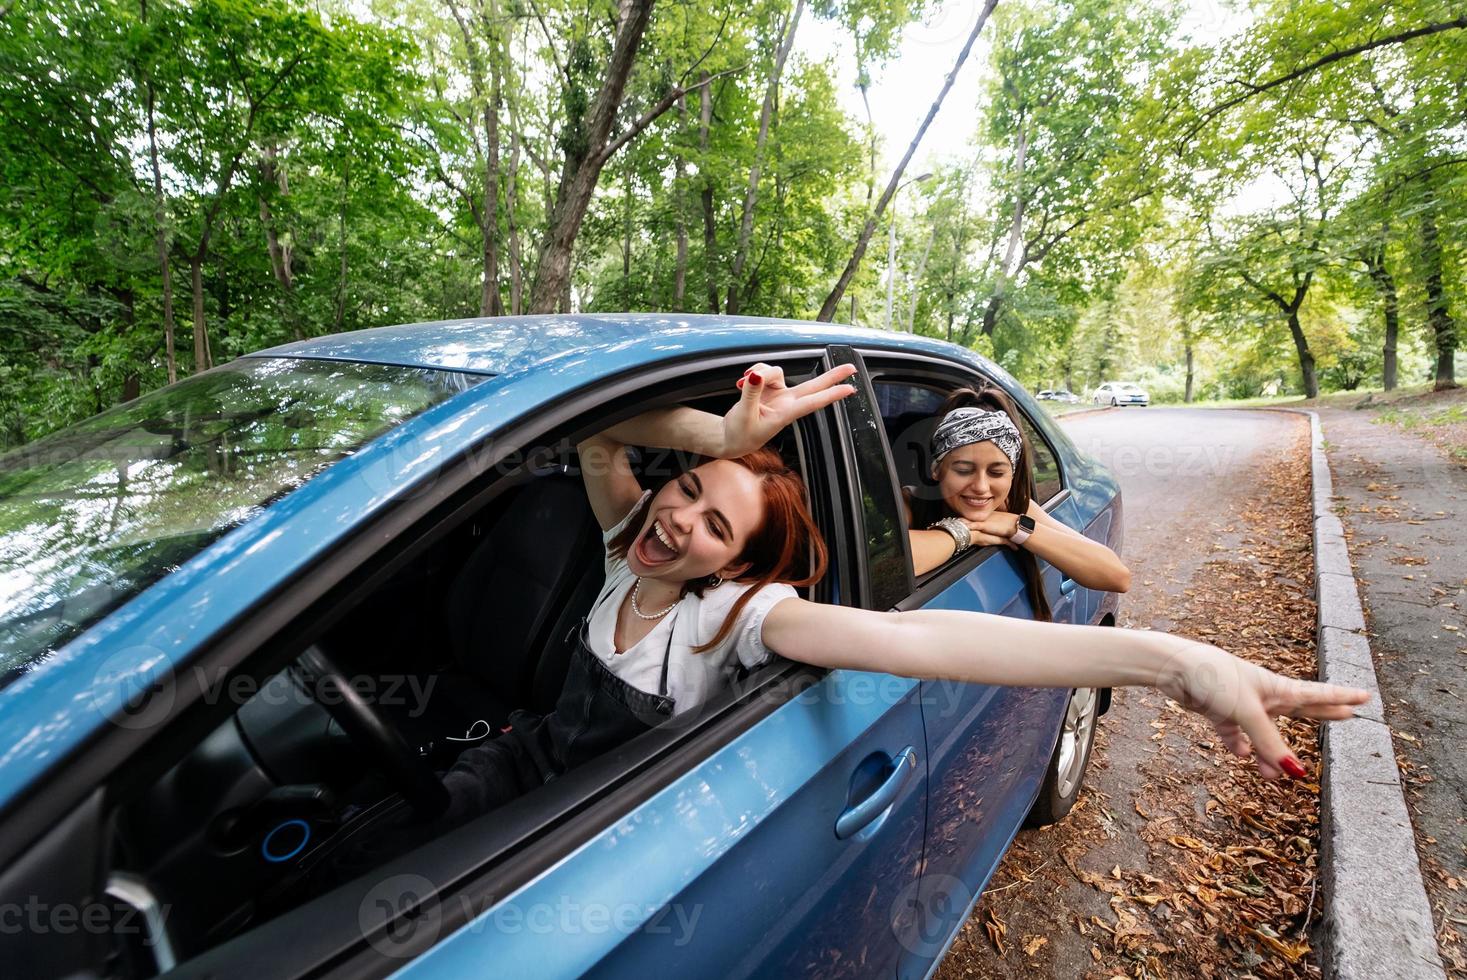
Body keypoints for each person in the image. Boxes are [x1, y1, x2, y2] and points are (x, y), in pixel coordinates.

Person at [289, 361, 1364, 896]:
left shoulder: (740, 620)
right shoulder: (628, 537)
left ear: (738, 565)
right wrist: (725, 429)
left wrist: (1179, 661)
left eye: (716, 526)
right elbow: (603, 426)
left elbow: (937, 643)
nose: (680, 521)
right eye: (689, 490)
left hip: (545, 848)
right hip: (501, 774)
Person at [903, 386, 1131, 604]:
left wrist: (1016, 526)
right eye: (964, 470)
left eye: (996, 472)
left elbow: (1117, 576)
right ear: (936, 469)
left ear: (1011, 475)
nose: (981, 487)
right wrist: (966, 533)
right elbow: (889, 567)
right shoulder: (910, 504)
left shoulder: (1015, 508)